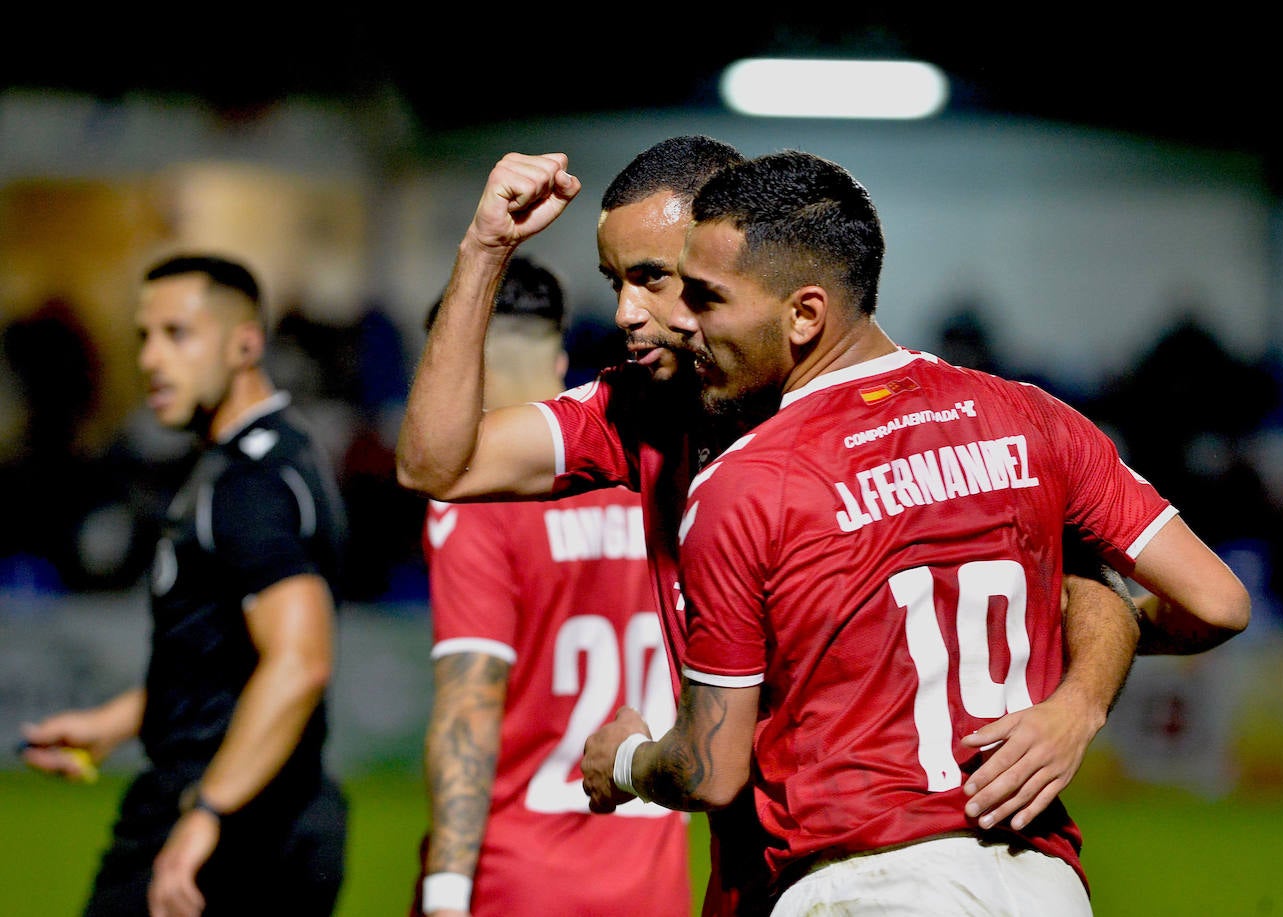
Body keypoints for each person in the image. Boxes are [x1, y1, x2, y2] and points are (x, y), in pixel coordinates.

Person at [396, 139, 1144, 915]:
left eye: (653, 277)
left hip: (886, 862)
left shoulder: (899, 420)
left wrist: (1078, 705)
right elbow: (435, 466)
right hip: (763, 874)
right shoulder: (644, 411)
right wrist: (486, 247)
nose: (625, 311)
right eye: (613, 283)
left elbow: (1093, 575)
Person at [580, 150, 1251, 914]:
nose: (683, 324)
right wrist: (1077, 703)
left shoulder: (744, 482)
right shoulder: (1029, 416)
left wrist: (627, 760)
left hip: (867, 882)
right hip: (1040, 883)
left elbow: (711, 768)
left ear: (805, 314)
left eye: (707, 298)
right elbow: (1217, 601)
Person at [21, 254, 349, 917]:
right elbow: (228, 659)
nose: (150, 358)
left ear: (245, 343)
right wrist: (111, 723)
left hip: (229, 826)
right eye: (144, 335)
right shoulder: (257, 459)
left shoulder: (250, 484)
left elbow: (298, 661)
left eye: (177, 334)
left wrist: (207, 811)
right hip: (261, 813)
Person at [408, 256, 691, 917]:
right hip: (654, 884)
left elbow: (468, 704)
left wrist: (447, 894)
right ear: (559, 359)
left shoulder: (473, 500)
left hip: (519, 882)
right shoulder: (658, 470)